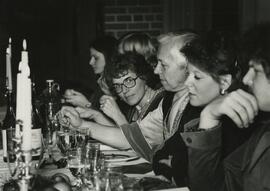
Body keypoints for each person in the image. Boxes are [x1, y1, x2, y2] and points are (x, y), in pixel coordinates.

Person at [59, 32, 197, 162]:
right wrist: (81, 124)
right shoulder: (168, 101)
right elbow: (129, 138)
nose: (156, 70)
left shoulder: (195, 106)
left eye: (164, 65)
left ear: (188, 67)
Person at [152, 30, 252, 187]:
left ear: (225, 82)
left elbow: (199, 183)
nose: (187, 83)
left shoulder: (240, 125)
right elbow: (161, 155)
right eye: (189, 74)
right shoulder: (195, 110)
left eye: (197, 77)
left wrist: (177, 166)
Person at [183, 24, 270, 191]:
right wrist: (209, 117)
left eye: (256, 71)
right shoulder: (263, 133)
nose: (246, 79)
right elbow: (208, 187)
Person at [59, 52, 164, 151]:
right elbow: (120, 135)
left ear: (144, 77)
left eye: (128, 81)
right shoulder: (137, 106)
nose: (124, 90)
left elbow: (133, 143)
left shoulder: (160, 105)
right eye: (118, 86)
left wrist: (82, 124)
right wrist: (95, 115)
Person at [63, 35, 117, 109]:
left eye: (96, 58)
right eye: (91, 57)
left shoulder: (118, 84)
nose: (90, 62)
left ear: (109, 57)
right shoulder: (101, 81)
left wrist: (86, 105)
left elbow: (114, 118)